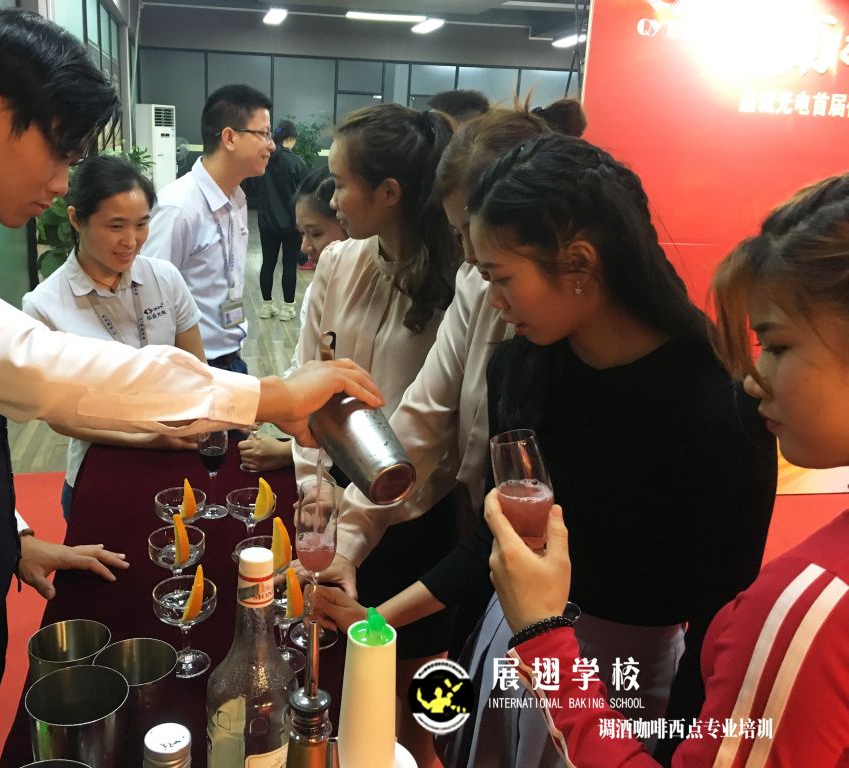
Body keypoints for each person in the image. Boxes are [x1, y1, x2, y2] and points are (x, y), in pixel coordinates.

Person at [0, 11, 380, 767]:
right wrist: (269, 396)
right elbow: (37, 369)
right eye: (58, 150)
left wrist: (10, 535)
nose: (61, 182)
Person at [316, 135, 777, 767]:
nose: (492, 302)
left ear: (580, 264)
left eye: (500, 278)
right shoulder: (522, 367)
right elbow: (498, 537)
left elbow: (722, 621)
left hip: (623, 689)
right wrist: (377, 619)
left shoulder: (719, 408)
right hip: (514, 651)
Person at [485, 172, 849, 766]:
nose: (755, 379)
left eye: (778, 346)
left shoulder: (807, 611)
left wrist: (544, 635)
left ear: (581, 263)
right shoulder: (523, 367)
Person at [313, 105, 553, 655]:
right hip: (465, 527)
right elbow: (423, 416)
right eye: (459, 234)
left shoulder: (513, 315)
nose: (468, 256)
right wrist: (347, 542)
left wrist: (377, 611)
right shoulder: (473, 280)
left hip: (462, 528)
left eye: (471, 232)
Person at [293, 103, 460, 766]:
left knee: (416, 697)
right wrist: (312, 487)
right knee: (339, 685)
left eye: (341, 183)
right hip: (331, 504)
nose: (332, 198)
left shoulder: (458, 287)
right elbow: (306, 386)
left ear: (390, 192)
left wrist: (356, 519)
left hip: (412, 515)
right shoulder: (340, 262)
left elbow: (428, 431)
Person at [22, 155, 205, 518]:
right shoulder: (44, 305)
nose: (131, 241)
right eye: (116, 226)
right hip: (100, 466)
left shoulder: (165, 278)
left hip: (176, 455)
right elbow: (60, 417)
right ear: (76, 219)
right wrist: (147, 438)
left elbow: (197, 370)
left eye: (142, 224)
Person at [144, 84, 275, 374]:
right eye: (264, 134)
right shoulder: (178, 208)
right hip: (193, 368)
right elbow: (150, 300)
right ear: (229, 137)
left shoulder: (237, 198)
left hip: (231, 356)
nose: (271, 145)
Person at [239, 165, 347, 473]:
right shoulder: (318, 287)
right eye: (302, 233)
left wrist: (288, 451)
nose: (305, 247)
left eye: (316, 233)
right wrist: (265, 401)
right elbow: (305, 362)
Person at [257, 119, 308, 320]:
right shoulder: (297, 163)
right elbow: (305, 197)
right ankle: (288, 309)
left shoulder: (263, 160)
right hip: (291, 225)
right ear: (291, 138)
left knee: (267, 263)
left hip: (266, 223)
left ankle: (266, 306)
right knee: (289, 265)